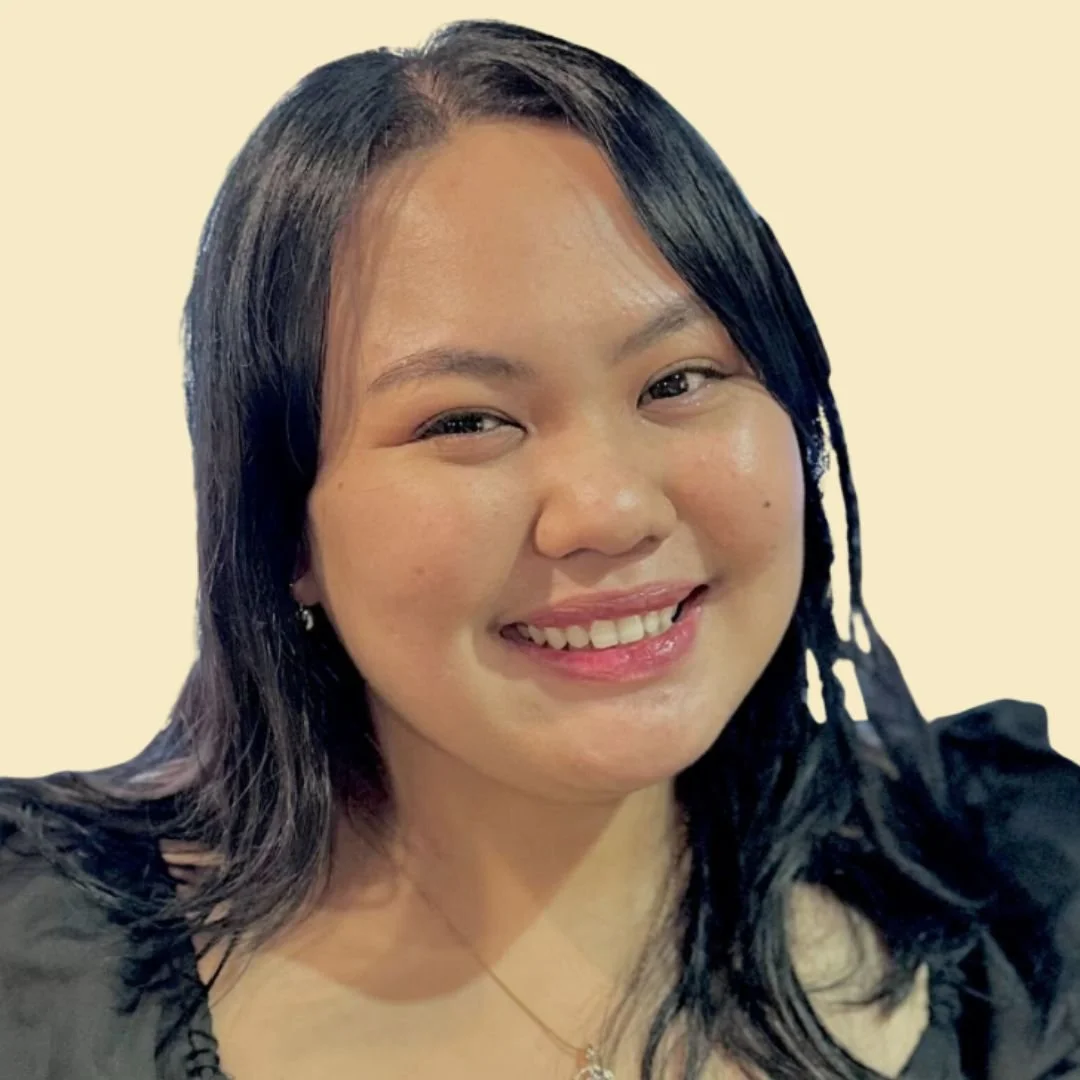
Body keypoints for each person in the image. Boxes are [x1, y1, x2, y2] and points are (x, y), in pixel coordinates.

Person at [0, 18, 1076, 1080]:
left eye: (679, 382)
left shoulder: (1027, 900)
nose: (607, 511)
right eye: (466, 421)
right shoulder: (38, 970)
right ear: (283, 529)